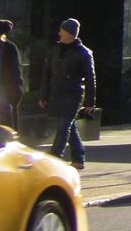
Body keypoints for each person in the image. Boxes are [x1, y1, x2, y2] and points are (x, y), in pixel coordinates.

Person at [39, 18, 95, 169]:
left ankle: (54, 159)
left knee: (63, 126)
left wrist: (90, 103)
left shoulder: (83, 53)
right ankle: (79, 157)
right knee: (69, 128)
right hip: (58, 94)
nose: (60, 34)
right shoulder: (55, 50)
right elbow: (47, 73)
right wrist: (43, 96)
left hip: (73, 96)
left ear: (71, 34)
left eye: (63, 31)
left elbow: (90, 78)